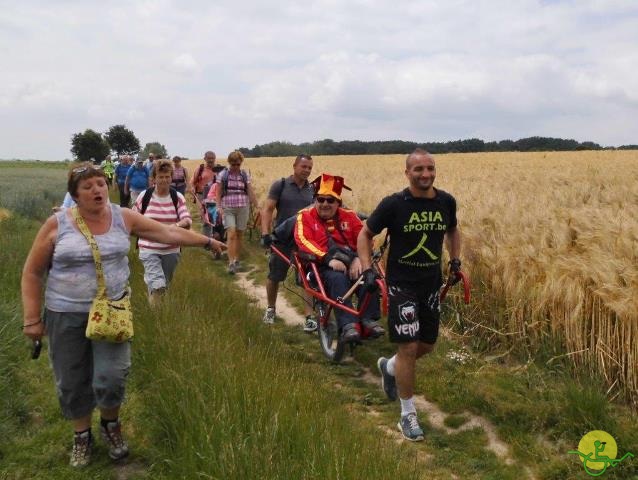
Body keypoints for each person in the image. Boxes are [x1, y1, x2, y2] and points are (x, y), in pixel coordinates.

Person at [20, 162, 224, 468]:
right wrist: (32, 319)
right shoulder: (56, 224)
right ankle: (81, 436)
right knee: (72, 378)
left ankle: (110, 425)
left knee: (112, 375)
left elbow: (167, 232)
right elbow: (33, 273)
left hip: (112, 310)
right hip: (65, 312)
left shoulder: (122, 217)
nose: (97, 190)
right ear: (74, 195)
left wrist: (206, 241)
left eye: (101, 184)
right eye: (88, 186)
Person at [357, 149, 462, 442]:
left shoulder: (446, 202)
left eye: (430, 168)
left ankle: (388, 368)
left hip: (431, 284)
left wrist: (455, 260)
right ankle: (407, 415)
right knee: (407, 348)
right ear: (407, 173)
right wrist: (367, 268)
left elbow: (453, 231)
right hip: (401, 284)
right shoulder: (394, 204)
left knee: (425, 346)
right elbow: (364, 234)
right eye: (418, 169)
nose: (425, 174)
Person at [294, 173, 385, 342]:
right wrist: (328, 259)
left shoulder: (350, 216)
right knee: (338, 279)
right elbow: (303, 241)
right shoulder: (304, 217)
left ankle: (368, 320)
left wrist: (359, 258)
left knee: (369, 276)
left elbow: (365, 238)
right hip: (319, 267)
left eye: (330, 200)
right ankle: (348, 325)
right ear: (315, 200)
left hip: (352, 261)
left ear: (338, 203)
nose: (325, 204)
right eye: (320, 199)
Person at [260, 154, 316, 331]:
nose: (306, 170)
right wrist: (265, 234)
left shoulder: (313, 189)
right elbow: (267, 209)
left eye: (309, 168)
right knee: (275, 275)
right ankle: (270, 309)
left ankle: (309, 317)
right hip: (282, 239)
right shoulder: (280, 185)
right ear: (294, 166)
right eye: (304, 167)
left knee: (307, 279)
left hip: (304, 240)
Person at [133, 159, 193, 304]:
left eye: (167, 177)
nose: (164, 180)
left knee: (164, 284)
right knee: (158, 285)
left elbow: (187, 220)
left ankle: (158, 312)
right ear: (153, 179)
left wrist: (176, 226)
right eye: (161, 177)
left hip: (171, 250)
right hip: (148, 248)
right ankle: (156, 317)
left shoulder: (177, 197)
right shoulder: (144, 196)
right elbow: (133, 218)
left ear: (171, 177)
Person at [216, 150, 259, 274]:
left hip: (243, 207)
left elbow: (250, 191)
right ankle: (231, 263)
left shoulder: (244, 175)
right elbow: (218, 192)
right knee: (231, 233)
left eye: (238, 164)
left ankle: (236, 259)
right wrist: (219, 207)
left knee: (239, 234)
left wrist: (257, 206)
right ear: (230, 163)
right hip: (228, 208)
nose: (235, 167)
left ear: (241, 163)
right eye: (233, 164)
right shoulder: (223, 175)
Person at [191, 151, 218, 237]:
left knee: (216, 217)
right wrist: (192, 190)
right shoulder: (200, 169)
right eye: (209, 158)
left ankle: (215, 237)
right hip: (202, 196)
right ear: (205, 159)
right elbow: (192, 182)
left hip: (215, 196)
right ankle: (207, 240)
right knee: (206, 218)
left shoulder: (219, 169)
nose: (211, 160)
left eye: (213, 158)